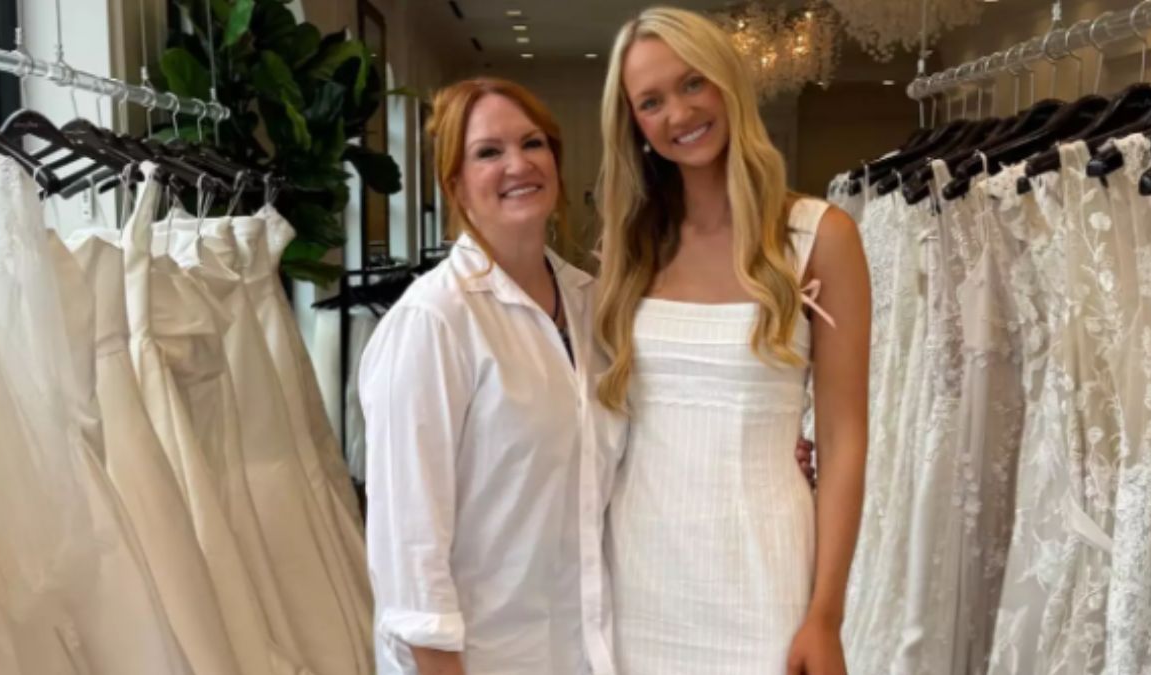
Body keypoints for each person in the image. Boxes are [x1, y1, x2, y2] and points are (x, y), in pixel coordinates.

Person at [595, 7, 871, 675]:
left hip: (764, 572)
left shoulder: (818, 237)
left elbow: (844, 437)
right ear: (634, 124)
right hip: (639, 576)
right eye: (651, 101)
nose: (678, 113)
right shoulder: (627, 251)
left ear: (727, 83)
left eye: (693, 84)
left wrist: (825, 614)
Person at [358, 77, 615, 675]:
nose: (518, 164)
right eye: (488, 152)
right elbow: (409, 546)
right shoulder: (434, 321)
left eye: (533, 143)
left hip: (581, 648)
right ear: (455, 184)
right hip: (480, 658)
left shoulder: (591, 304)